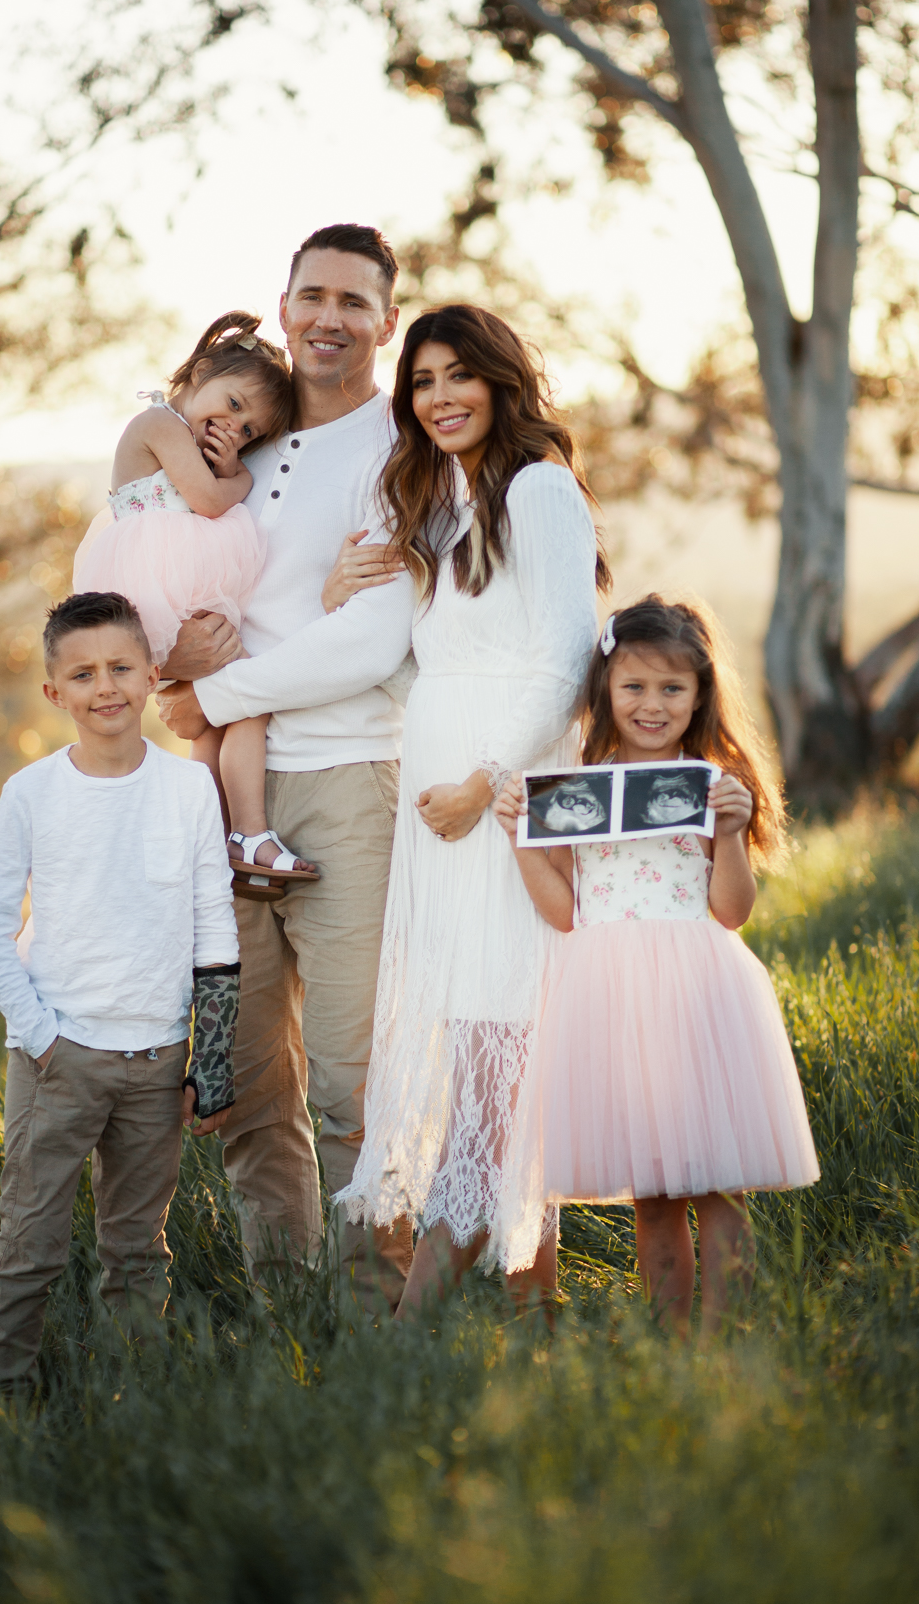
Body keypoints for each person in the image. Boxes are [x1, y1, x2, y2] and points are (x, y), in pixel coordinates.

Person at [155, 224, 418, 1313]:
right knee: (254, 1083)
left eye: (355, 302)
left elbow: (373, 641)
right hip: (217, 798)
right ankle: (287, 1314)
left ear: (385, 322)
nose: (329, 317)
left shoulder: (407, 447)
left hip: (351, 783)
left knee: (358, 1075)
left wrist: (205, 696)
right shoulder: (236, 447)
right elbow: (160, 598)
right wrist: (176, 672)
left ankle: (377, 1320)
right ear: (284, 301)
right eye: (312, 294)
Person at [335, 304, 606, 1315]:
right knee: (482, 1039)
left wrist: (488, 783)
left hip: (506, 801)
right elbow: (426, 669)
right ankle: (537, 1309)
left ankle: (404, 1337)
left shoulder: (539, 491)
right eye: (422, 381)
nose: (439, 397)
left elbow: (570, 655)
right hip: (444, 803)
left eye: (459, 376)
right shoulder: (440, 504)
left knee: (500, 1048)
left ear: (500, 383)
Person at [494, 596, 820, 1338]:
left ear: (701, 693)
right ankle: (671, 1344)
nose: (652, 704)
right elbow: (566, 912)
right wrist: (521, 837)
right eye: (634, 686)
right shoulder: (578, 783)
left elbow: (732, 910)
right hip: (608, 993)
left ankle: (721, 1340)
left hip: (698, 987)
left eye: (672, 688)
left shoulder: (711, 782)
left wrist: (731, 833)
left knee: (718, 1185)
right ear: (606, 689)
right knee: (655, 1192)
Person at [0, 591, 242, 1393]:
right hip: (59, 1058)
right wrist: (44, 1037)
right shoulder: (32, 793)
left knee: (136, 1245)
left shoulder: (189, 791)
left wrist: (211, 1059)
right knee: (31, 1237)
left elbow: (213, 925)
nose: (105, 687)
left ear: (153, 676)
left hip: (157, 1058)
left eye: (121, 668)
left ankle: (136, 1394)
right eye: (82, 674)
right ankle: (0, 1392)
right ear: (55, 693)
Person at [72, 313, 313, 878]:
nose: (234, 428)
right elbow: (207, 500)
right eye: (232, 404)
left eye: (249, 431)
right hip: (156, 586)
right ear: (200, 373)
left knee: (213, 717)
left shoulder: (189, 437)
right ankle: (248, 834)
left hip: (176, 585)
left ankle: (208, 837)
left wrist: (228, 464)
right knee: (247, 697)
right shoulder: (158, 422)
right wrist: (241, 476)